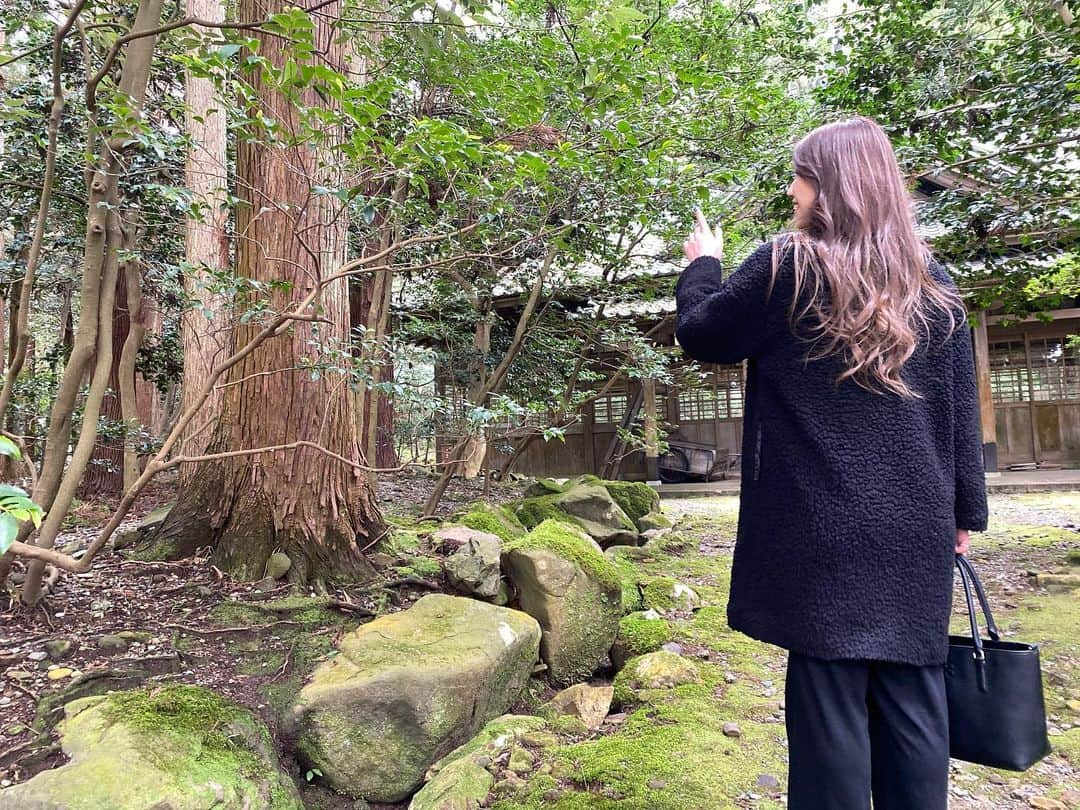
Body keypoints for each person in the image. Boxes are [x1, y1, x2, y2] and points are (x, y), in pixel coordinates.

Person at [674, 115, 989, 810]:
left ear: (830, 187)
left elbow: (704, 333)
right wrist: (964, 513)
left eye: (801, 177)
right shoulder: (933, 282)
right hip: (916, 528)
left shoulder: (788, 265)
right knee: (914, 704)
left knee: (830, 715)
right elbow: (961, 410)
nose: (792, 191)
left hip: (822, 532)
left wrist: (701, 264)